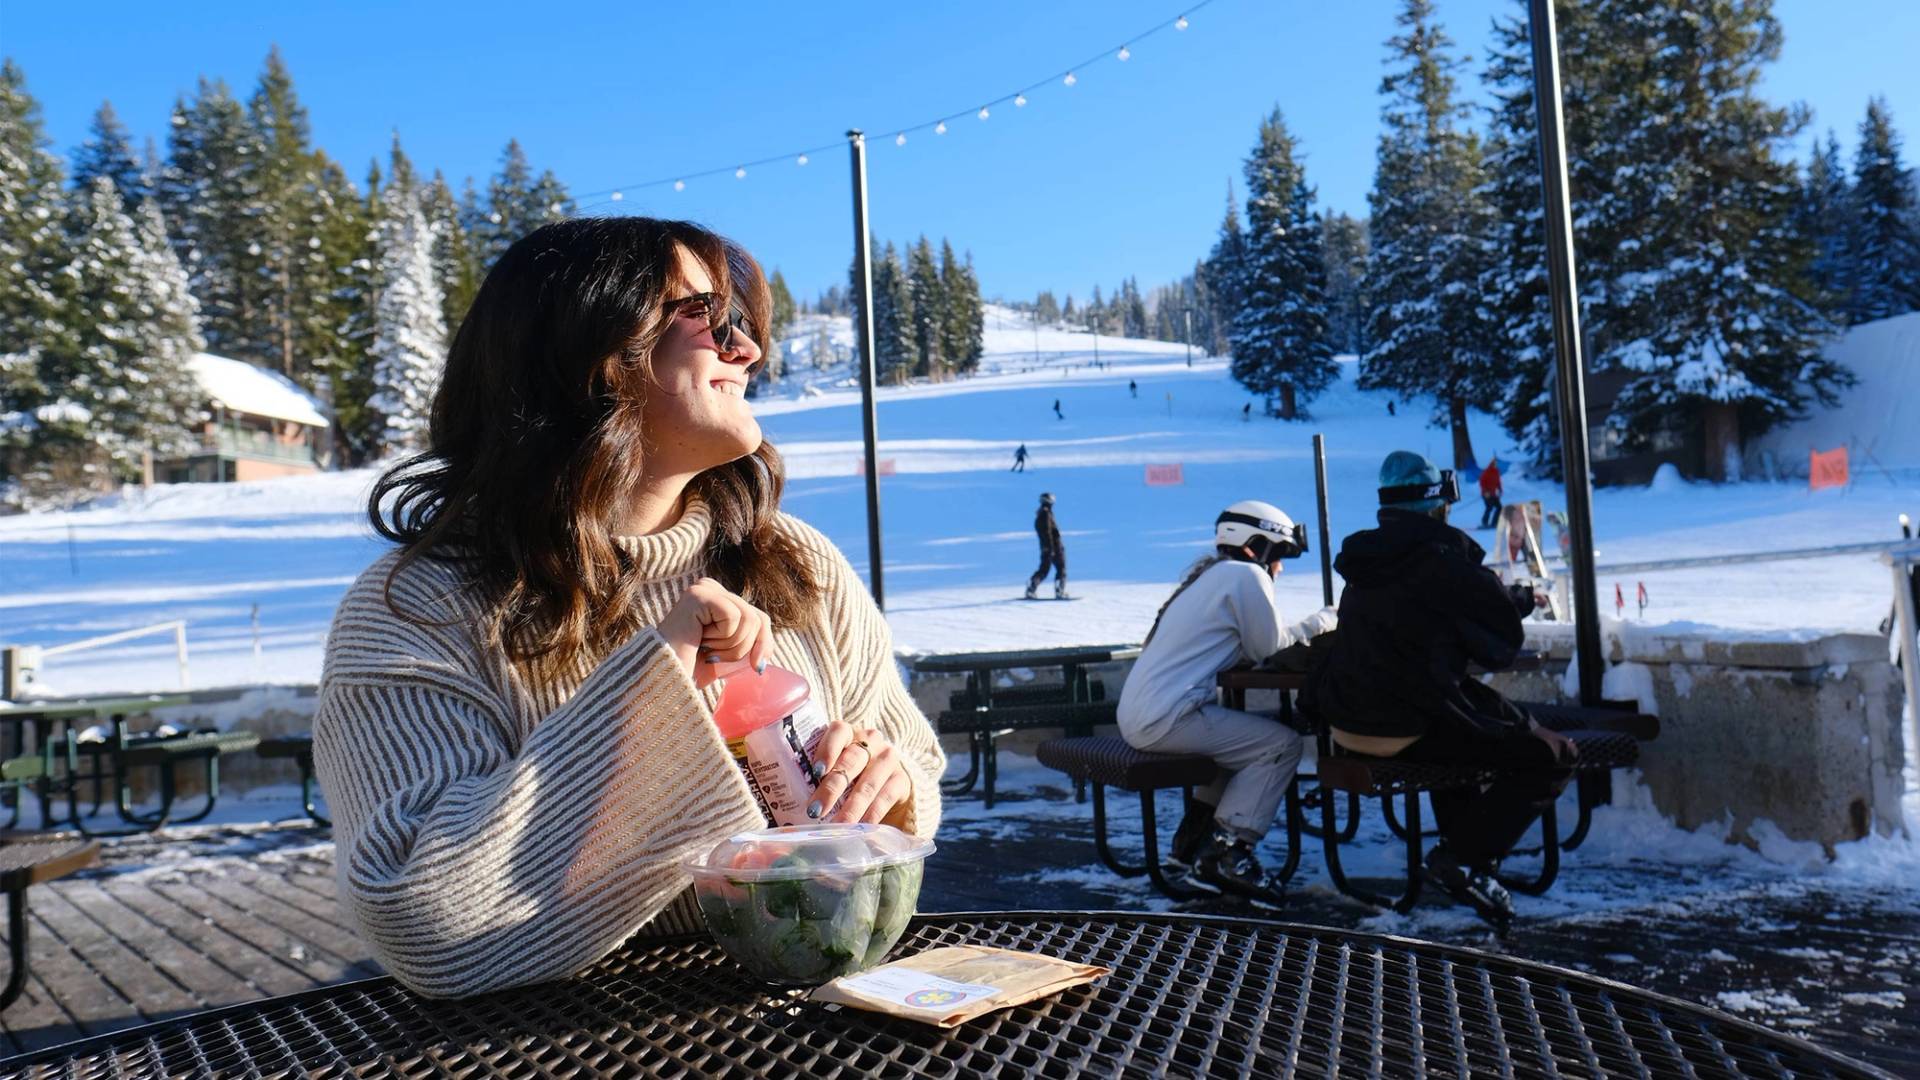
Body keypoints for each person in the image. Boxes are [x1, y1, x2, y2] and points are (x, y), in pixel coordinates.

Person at [312, 218, 945, 998]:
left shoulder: (798, 564)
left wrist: (889, 789)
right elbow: (422, 921)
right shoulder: (416, 609)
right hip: (543, 1041)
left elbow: (915, 758)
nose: (745, 351)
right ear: (588, 355)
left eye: (742, 325)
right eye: (708, 317)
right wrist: (654, 686)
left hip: (803, 1022)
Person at [1303, 451, 1574, 932]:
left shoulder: (1366, 563)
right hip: (1404, 724)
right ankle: (1463, 860)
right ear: (1438, 506)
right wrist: (1508, 601)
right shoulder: (1444, 562)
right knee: (1549, 754)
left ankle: (1467, 861)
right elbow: (1499, 644)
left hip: (1348, 723)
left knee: (1466, 736)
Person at [1118, 501, 1338, 897]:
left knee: (1235, 752)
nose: (1282, 567)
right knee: (1281, 746)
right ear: (1259, 544)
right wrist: (1322, 621)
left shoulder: (1211, 576)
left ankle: (1191, 845)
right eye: (1282, 554)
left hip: (1145, 715)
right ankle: (1228, 853)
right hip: (1166, 718)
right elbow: (1265, 647)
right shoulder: (1246, 575)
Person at [1025, 492, 1067, 599]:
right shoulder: (1045, 514)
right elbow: (1047, 532)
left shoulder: (1042, 513)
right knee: (1060, 568)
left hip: (1047, 547)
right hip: (1053, 547)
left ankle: (1032, 586)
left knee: (1045, 569)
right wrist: (1051, 547)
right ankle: (1059, 590)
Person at [1479, 457, 1504, 529]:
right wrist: (1485, 492)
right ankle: (1484, 523)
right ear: (1491, 464)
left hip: (1493, 494)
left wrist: (1500, 489)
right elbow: (1482, 482)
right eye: (1494, 463)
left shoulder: (1496, 472)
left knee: (1499, 507)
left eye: (1496, 464)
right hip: (1486, 494)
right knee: (1489, 507)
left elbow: (1498, 482)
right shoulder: (1487, 472)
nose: (1495, 465)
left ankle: (1494, 523)